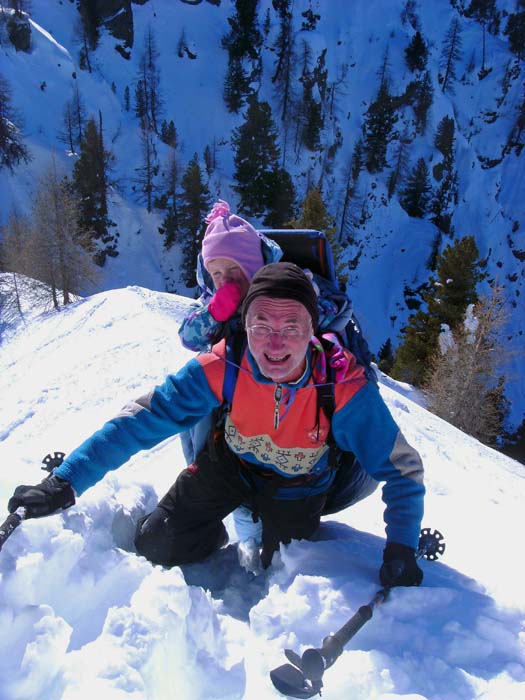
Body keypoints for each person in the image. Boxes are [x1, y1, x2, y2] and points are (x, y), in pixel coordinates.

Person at [7, 262, 425, 587]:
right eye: (261, 324)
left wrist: (402, 546)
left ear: (312, 331)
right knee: (158, 542)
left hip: (300, 487)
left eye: (291, 327)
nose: (275, 342)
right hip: (229, 467)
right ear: (245, 325)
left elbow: (401, 469)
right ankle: (214, 537)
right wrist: (66, 481)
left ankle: (265, 534)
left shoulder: (342, 384)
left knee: (281, 571)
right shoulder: (224, 365)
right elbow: (143, 419)